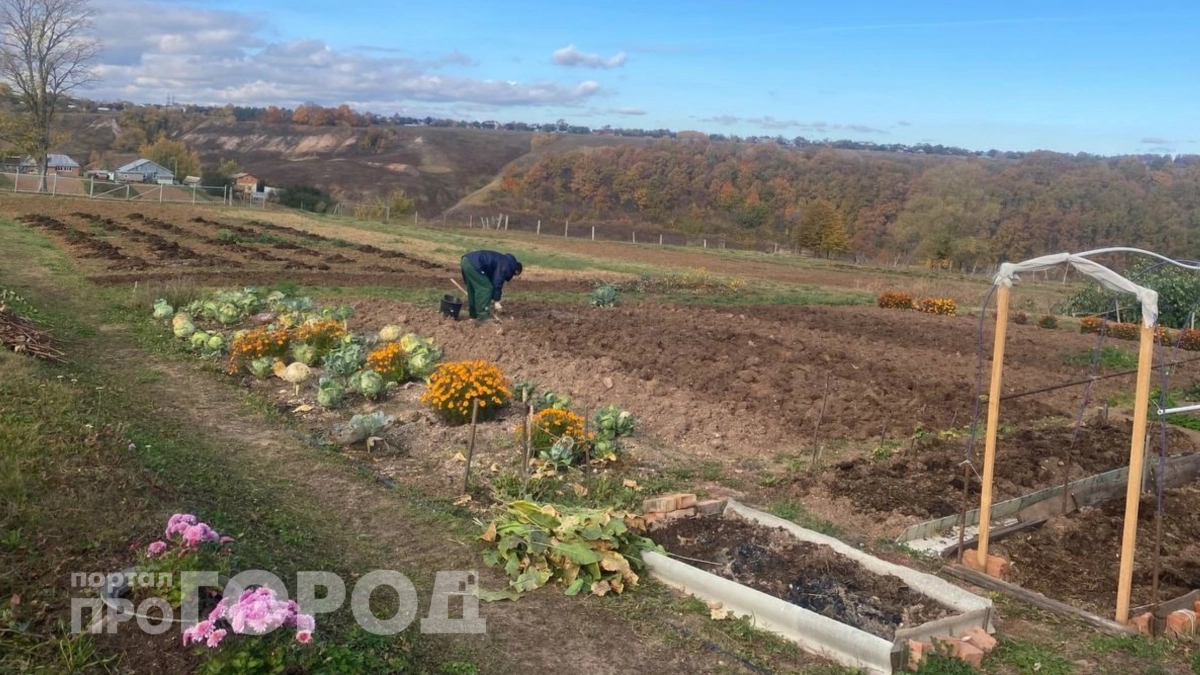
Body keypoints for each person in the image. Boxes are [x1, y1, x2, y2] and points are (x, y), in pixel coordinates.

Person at [460, 250, 522, 321]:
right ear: (516, 271)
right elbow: (497, 281)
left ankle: (474, 315)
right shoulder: (506, 266)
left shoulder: (503, 260)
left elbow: (490, 280)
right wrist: (496, 301)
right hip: (475, 264)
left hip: (466, 260)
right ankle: (483, 317)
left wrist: (491, 297)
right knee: (486, 288)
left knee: (474, 288)